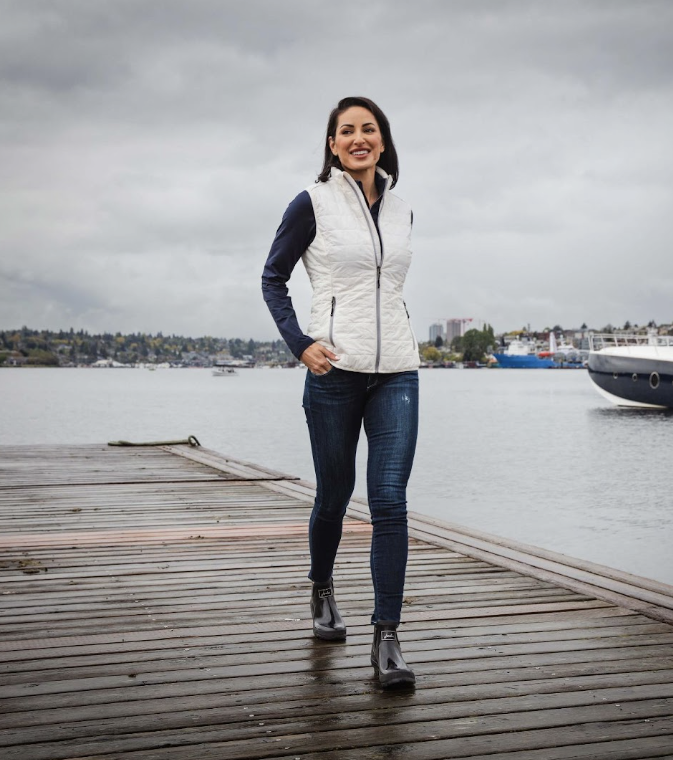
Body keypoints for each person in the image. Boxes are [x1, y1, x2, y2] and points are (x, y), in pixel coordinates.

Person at [261, 96, 419, 689]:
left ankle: (387, 640)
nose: (358, 138)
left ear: (382, 139)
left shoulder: (403, 209)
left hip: (398, 370)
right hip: (333, 370)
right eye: (346, 131)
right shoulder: (312, 202)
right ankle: (322, 587)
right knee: (335, 491)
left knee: (389, 501)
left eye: (368, 129)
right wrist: (300, 343)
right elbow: (272, 277)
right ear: (332, 144)